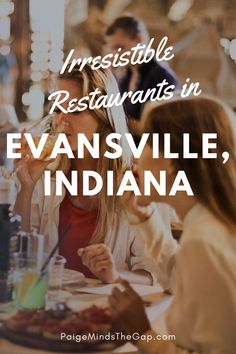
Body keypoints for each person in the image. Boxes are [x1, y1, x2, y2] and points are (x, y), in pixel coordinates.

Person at [14, 64, 171, 285]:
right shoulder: (45, 174)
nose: (61, 122)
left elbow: (160, 274)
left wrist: (115, 275)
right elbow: (18, 257)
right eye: (58, 109)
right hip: (51, 310)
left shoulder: (138, 183)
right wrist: (26, 188)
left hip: (107, 312)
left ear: (103, 117)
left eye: (76, 110)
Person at [109, 96, 236, 353]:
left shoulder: (204, 240)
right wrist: (144, 219)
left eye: (144, 142)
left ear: (170, 161)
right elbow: (183, 278)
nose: (134, 157)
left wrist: (142, 333)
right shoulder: (209, 225)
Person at [105, 15, 178, 133]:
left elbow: (165, 130)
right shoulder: (127, 75)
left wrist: (121, 122)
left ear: (139, 39)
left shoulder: (161, 76)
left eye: (120, 47)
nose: (115, 54)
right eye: (112, 49)